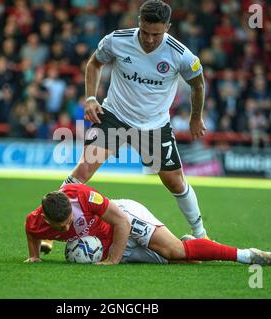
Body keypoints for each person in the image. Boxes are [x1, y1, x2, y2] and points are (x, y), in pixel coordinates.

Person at [42, 0, 209, 254]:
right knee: (84, 169)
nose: (150, 39)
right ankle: (52, 228)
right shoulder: (116, 40)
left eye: (157, 34)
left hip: (153, 126)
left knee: (175, 183)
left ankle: (201, 235)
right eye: (145, 32)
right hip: (115, 116)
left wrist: (196, 117)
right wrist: (90, 98)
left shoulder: (181, 54)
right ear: (138, 23)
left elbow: (198, 84)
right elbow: (94, 64)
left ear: (167, 27)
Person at [25, 183, 271, 267]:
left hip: (125, 219)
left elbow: (121, 221)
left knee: (175, 252)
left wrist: (112, 261)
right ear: (47, 221)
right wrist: (34, 256)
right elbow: (32, 234)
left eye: (70, 219)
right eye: (62, 226)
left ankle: (248, 255)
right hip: (108, 245)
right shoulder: (36, 222)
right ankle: (191, 245)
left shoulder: (82, 196)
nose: (68, 226)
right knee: (183, 260)